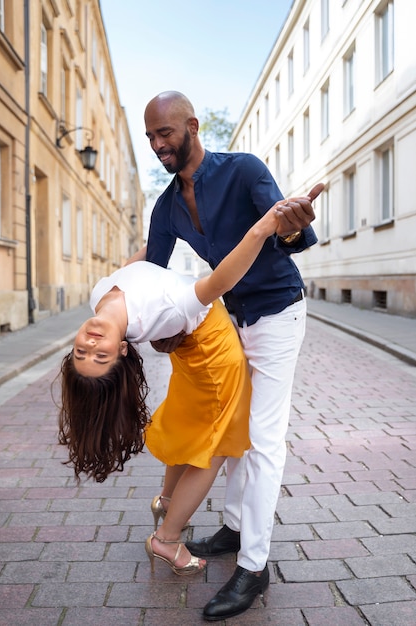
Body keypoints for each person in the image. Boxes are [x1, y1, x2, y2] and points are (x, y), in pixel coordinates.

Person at [57, 194, 312, 578]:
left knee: (187, 425)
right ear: (123, 351)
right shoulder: (166, 309)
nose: (91, 345)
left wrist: (169, 229)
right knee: (211, 448)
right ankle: (168, 537)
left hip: (194, 354)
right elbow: (220, 280)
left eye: (82, 352)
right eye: (100, 356)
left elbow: (143, 262)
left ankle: (167, 501)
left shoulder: (98, 298)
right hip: (215, 358)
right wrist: (262, 228)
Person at [139, 91, 322, 621]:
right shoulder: (168, 204)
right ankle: (236, 525)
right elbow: (153, 272)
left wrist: (290, 221)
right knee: (234, 432)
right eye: (150, 137)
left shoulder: (243, 170)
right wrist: (153, 328)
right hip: (233, 320)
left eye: (165, 133)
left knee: (263, 440)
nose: (157, 144)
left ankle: (254, 563)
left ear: (192, 126)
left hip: (279, 312)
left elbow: (296, 231)